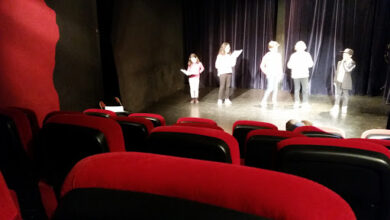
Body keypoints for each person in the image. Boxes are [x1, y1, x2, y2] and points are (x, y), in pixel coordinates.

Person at [287, 41, 314, 109]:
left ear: (304, 47)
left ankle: (305, 103)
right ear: (296, 47)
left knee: (305, 89)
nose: (300, 48)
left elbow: (311, 64)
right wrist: (295, 65)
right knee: (297, 89)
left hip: (304, 74)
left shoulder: (307, 54)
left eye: (301, 47)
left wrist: (304, 64)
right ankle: (297, 102)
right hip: (296, 75)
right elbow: (289, 65)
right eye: (299, 47)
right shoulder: (293, 55)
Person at [331, 48, 356, 114]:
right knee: (338, 94)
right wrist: (335, 80)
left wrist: (344, 62)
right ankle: (336, 106)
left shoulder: (352, 62)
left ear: (350, 55)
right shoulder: (340, 62)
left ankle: (344, 108)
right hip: (338, 80)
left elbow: (348, 70)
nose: (344, 54)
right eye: (344, 53)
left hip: (345, 81)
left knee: (345, 95)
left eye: (346, 53)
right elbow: (337, 72)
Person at [260, 41, 283, 107]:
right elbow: (262, 65)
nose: (276, 48)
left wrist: (280, 74)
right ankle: (263, 101)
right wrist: (266, 72)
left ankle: (274, 100)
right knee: (270, 88)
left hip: (277, 74)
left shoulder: (278, 55)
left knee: (275, 88)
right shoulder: (267, 55)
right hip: (270, 74)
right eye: (274, 47)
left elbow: (280, 65)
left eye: (276, 47)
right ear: (270, 48)